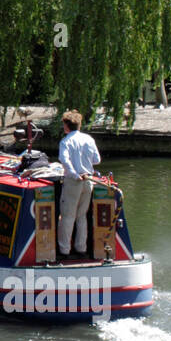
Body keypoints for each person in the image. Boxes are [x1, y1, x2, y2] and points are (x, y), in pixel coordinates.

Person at [56, 109, 101, 258]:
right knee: (81, 216)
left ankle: (64, 251)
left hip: (73, 181)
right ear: (79, 125)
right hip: (89, 180)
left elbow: (64, 160)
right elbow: (97, 160)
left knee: (67, 216)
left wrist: (75, 174)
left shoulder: (66, 141)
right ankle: (81, 249)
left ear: (66, 126)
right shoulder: (89, 139)